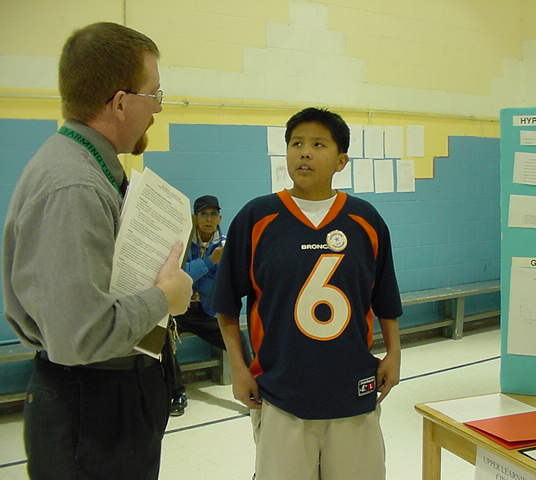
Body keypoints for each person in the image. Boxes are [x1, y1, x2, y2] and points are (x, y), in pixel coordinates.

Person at [1, 22, 192, 479]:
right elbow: (80, 336)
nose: (158, 110)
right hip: (93, 406)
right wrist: (166, 297)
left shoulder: (84, 169)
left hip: (109, 398)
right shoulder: (75, 186)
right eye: (155, 95)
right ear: (122, 101)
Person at [213, 107, 403, 479]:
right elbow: (224, 305)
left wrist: (395, 351)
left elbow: (385, 297)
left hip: (353, 390)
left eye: (318, 144)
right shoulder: (256, 218)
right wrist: (238, 368)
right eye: (296, 143)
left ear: (341, 160)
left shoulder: (366, 220)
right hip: (282, 393)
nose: (304, 152)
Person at [168, 195, 227, 416]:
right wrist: (209, 263)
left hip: (206, 311)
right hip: (180, 309)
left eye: (213, 214)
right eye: (204, 214)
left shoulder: (225, 244)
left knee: (238, 342)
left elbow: (222, 283)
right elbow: (180, 275)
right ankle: (176, 393)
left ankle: (259, 388)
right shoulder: (181, 243)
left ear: (220, 217)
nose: (209, 219)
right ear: (195, 217)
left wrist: (198, 271)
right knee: (161, 342)